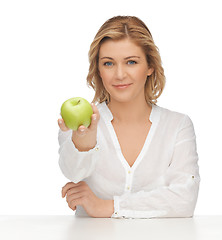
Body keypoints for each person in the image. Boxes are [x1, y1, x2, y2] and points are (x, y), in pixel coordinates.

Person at [58, 16, 200, 218]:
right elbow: (73, 172)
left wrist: (106, 207)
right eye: (108, 63)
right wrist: (84, 141)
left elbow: (184, 199)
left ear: (150, 66)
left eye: (131, 62)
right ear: (98, 70)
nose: (120, 74)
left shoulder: (178, 126)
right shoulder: (80, 123)